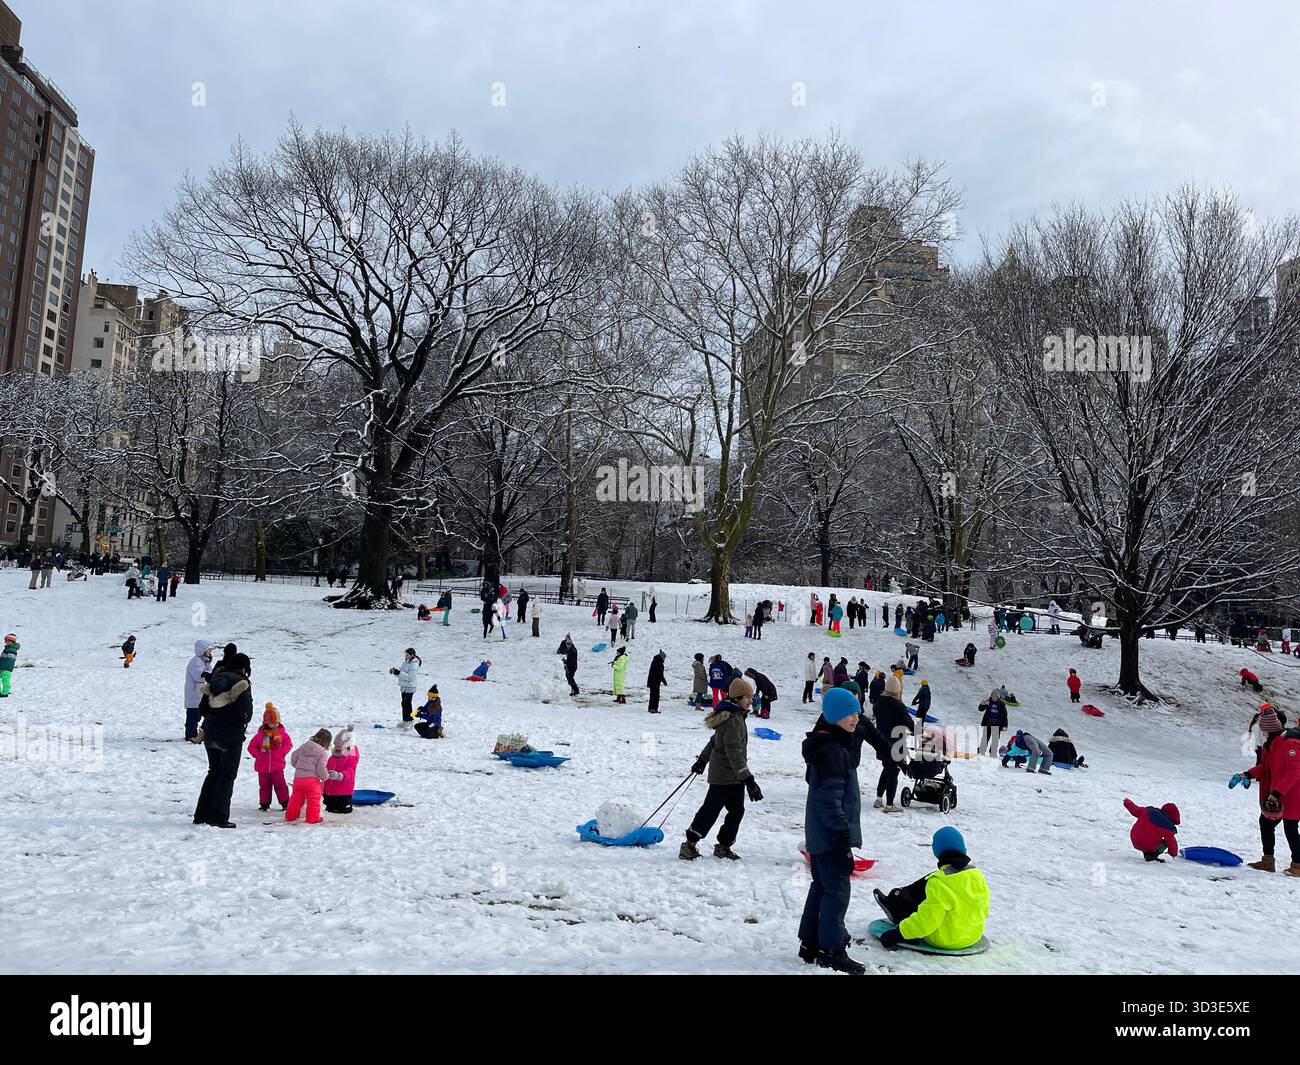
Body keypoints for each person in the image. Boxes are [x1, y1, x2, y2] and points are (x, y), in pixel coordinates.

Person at [798, 687, 873, 975]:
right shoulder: (832, 752)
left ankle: (810, 942)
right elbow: (830, 802)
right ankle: (831, 950)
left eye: (856, 711)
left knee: (822, 886)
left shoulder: (829, 744)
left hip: (820, 833)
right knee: (837, 892)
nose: (855, 718)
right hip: (830, 835)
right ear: (833, 716)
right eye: (848, 713)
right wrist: (842, 839)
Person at [680, 678, 761, 861]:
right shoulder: (732, 720)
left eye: (751, 697)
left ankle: (723, 846)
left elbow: (714, 741)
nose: (750, 700)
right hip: (723, 777)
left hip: (735, 777)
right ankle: (689, 845)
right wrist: (749, 779)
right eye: (747, 697)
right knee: (710, 811)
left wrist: (702, 760)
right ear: (736, 699)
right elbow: (734, 753)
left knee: (736, 811)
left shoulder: (736, 716)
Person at [874, 827, 990, 952]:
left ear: (936, 850)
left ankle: (898, 909)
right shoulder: (977, 874)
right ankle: (897, 900)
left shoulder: (939, 882)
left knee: (923, 901)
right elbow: (983, 908)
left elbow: (928, 919)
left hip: (945, 940)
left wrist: (898, 934)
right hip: (972, 936)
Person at [1232, 706, 1300, 875]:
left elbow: (1294, 772)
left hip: (1292, 796)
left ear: (1269, 729)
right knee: (1266, 824)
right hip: (1276, 796)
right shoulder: (1272, 745)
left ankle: (1298, 866)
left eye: (1263, 731)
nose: (1262, 734)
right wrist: (1246, 774)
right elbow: (1264, 767)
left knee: (1290, 828)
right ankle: (1268, 861)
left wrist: (1276, 794)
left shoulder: (1289, 744)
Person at [193, 652, 254, 828]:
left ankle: (201, 814)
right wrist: (235, 722)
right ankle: (218, 817)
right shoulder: (242, 683)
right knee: (227, 776)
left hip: (210, 732)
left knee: (213, 772)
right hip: (230, 736)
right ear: (244, 668)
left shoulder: (216, 679)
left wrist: (215, 719)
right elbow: (246, 714)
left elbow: (202, 709)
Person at [872, 674, 912, 811]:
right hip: (896, 744)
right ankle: (889, 804)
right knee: (893, 772)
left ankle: (878, 798)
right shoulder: (898, 706)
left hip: (881, 742)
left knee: (886, 768)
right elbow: (909, 724)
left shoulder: (879, 703)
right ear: (898, 690)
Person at [285, 729, 342, 824]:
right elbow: (321, 768)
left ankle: (290, 816)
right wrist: (325, 777)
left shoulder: (304, 746)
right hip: (312, 781)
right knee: (313, 800)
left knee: (296, 799)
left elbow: (294, 755)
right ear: (327, 742)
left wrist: (298, 766)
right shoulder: (322, 753)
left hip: (298, 778)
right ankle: (313, 818)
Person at [248, 703, 292, 811]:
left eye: (275, 723)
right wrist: (257, 754)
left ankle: (285, 802)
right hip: (262, 767)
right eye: (271, 724)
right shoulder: (260, 735)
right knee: (264, 786)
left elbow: (288, 744)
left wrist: (282, 752)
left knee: (280, 785)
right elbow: (251, 747)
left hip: (277, 766)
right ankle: (264, 803)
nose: (274, 726)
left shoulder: (282, 734)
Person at [184, 640, 215, 741]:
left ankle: (197, 733)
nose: (210, 652)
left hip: (200, 693)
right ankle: (190, 735)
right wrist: (207, 675)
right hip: (194, 693)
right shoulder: (195, 661)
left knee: (199, 714)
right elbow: (199, 676)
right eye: (208, 650)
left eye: (211, 650)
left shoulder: (204, 661)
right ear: (202, 650)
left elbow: (210, 672)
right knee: (193, 716)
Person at [324, 728, 359, 814]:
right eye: (336, 746)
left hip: (344, 792)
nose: (337, 748)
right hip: (329, 792)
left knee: (344, 811)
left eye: (340, 746)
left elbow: (351, 771)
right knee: (328, 810)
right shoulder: (331, 758)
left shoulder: (350, 758)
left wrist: (340, 775)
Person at [390, 648, 421, 725]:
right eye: (405, 655)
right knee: (403, 703)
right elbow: (402, 673)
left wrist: (398, 672)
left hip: (410, 687)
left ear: (412, 655)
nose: (406, 656)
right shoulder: (406, 663)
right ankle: (405, 720)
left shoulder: (414, 665)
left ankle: (410, 720)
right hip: (404, 686)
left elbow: (410, 677)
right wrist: (395, 672)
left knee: (407, 704)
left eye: (407, 655)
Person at [979, 690, 1007, 757]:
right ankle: (982, 751)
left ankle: (993, 753)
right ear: (991, 696)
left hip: (997, 724)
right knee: (985, 738)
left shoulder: (1001, 704)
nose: (994, 697)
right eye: (993, 696)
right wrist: (981, 704)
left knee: (995, 740)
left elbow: (1005, 715)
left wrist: (1005, 725)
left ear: (998, 697)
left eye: (996, 696)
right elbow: (980, 709)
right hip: (988, 723)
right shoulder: (987, 702)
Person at [646, 650, 666, 714]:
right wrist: (664, 681)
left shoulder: (655, 661)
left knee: (652, 695)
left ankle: (650, 708)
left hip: (652, 681)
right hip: (655, 682)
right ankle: (654, 708)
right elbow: (660, 674)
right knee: (655, 696)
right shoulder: (659, 663)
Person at [0, 633, 19, 698]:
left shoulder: (11, 650)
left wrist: (3, 668)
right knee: (4, 679)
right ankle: (5, 690)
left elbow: (9, 661)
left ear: (11, 641)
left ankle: (5, 693)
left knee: (5, 680)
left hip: (6, 669)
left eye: (6, 640)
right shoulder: (8, 648)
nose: (5, 642)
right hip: (2, 668)